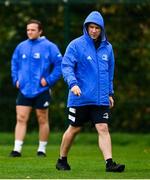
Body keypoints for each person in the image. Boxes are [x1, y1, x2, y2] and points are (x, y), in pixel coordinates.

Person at [56, 11, 125, 172]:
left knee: (103, 127)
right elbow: (66, 67)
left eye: (97, 28)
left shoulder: (108, 48)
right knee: (74, 128)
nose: (93, 30)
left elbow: (110, 73)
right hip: (79, 97)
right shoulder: (75, 45)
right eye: (91, 27)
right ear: (86, 28)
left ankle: (109, 163)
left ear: (102, 29)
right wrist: (73, 84)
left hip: (100, 98)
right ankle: (62, 160)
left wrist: (109, 93)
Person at [10, 19, 62, 157]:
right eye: (28, 30)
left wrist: (49, 80)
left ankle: (41, 149)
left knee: (42, 119)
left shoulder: (49, 46)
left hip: (42, 90)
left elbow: (59, 65)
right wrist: (16, 79)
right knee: (21, 118)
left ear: (40, 31)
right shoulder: (21, 46)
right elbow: (14, 63)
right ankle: (17, 149)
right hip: (24, 90)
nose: (29, 32)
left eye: (33, 30)